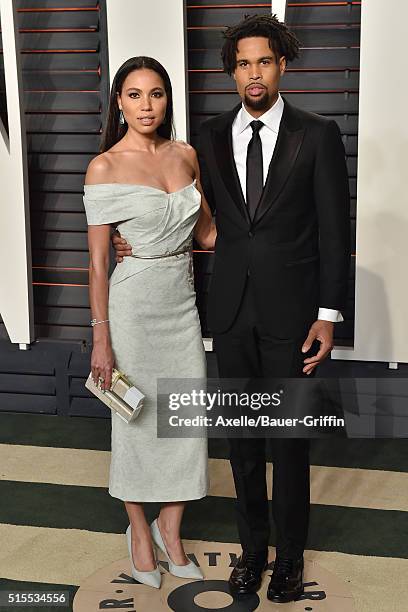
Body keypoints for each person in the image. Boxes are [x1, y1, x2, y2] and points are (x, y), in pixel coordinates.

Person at [113, 13, 350, 604]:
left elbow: (334, 235)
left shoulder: (318, 133)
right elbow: (199, 221)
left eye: (264, 61)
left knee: (289, 442)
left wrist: (328, 315)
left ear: (282, 65)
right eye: (243, 63)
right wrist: (137, 240)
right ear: (231, 71)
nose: (253, 73)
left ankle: (289, 560)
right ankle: (252, 554)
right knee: (243, 444)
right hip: (230, 315)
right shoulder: (211, 138)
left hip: (294, 317)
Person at [83, 56, 216, 589]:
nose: (146, 105)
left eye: (156, 94)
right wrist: (101, 337)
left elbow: (207, 235)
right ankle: (138, 529)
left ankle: (171, 526)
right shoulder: (104, 167)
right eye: (134, 95)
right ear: (118, 102)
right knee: (135, 422)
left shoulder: (186, 155)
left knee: (185, 418)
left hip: (181, 303)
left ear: (167, 100)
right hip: (132, 305)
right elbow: (96, 264)